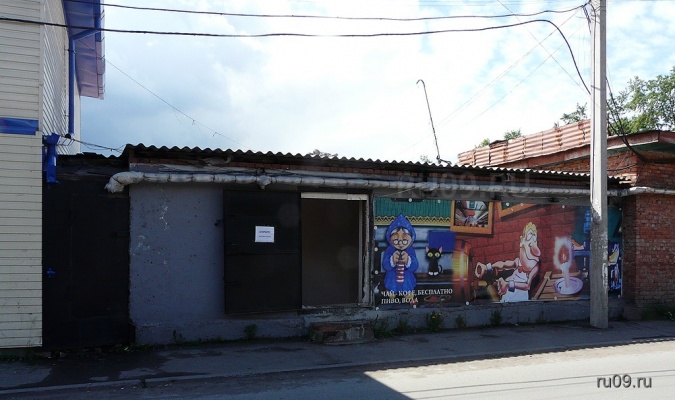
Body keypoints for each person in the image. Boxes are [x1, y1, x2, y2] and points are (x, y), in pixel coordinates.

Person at [474, 222, 541, 302]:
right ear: (522, 240)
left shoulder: (535, 267)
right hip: (507, 297)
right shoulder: (518, 262)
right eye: (529, 237)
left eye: (534, 238)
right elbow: (503, 265)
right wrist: (487, 267)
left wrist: (508, 284)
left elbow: (527, 286)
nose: (531, 242)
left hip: (519, 299)